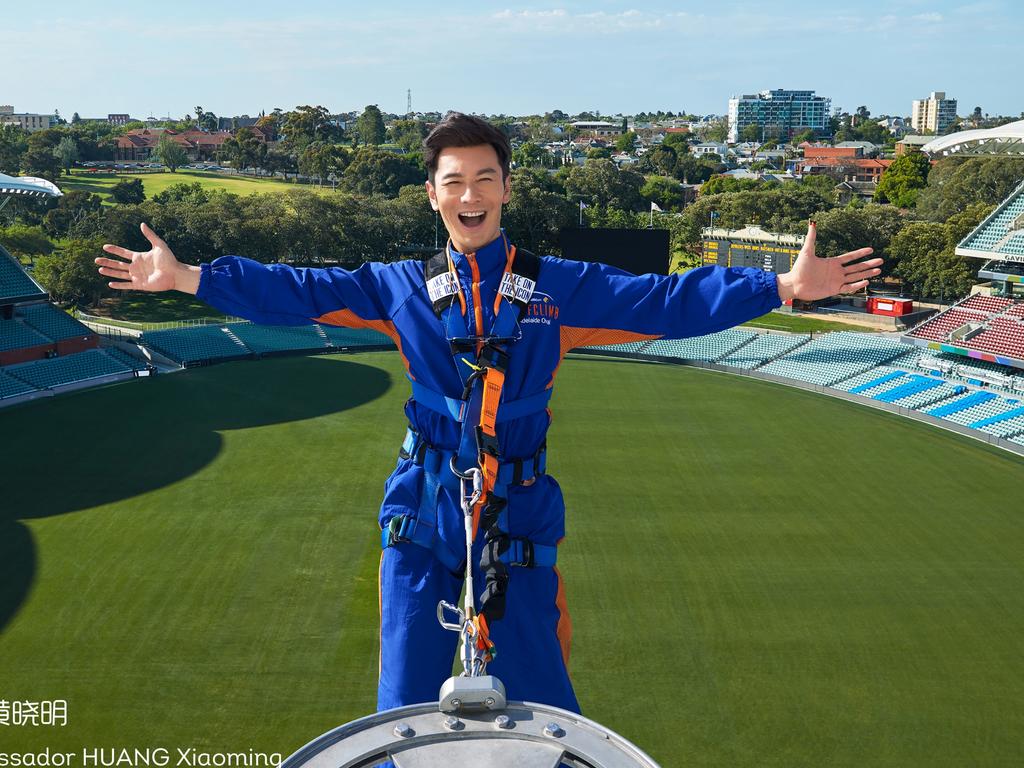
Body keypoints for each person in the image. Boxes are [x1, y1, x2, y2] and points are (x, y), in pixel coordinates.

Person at [96, 113, 881, 715]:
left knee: (540, 691)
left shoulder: (558, 288)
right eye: (453, 181)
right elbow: (297, 288)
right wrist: (193, 278)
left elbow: (666, 301)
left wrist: (776, 289)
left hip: (518, 508)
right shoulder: (395, 286)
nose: (469, 196)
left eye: (484, 178)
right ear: (431, 193)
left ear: (506, 188)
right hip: (426, 502)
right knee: (404, 692)